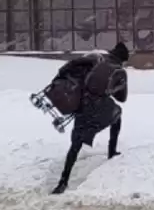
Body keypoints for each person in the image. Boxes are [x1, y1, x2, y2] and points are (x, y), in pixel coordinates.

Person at [51, 42, 130, 195]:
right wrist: (117, 86)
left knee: (75, 145)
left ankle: (63, 181)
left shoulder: (97, 61)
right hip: (98, 109)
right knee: (118, 113)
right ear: (123, 59)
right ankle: (112, 151)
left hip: (82, 106)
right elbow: (121, 98)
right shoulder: (118, 71)